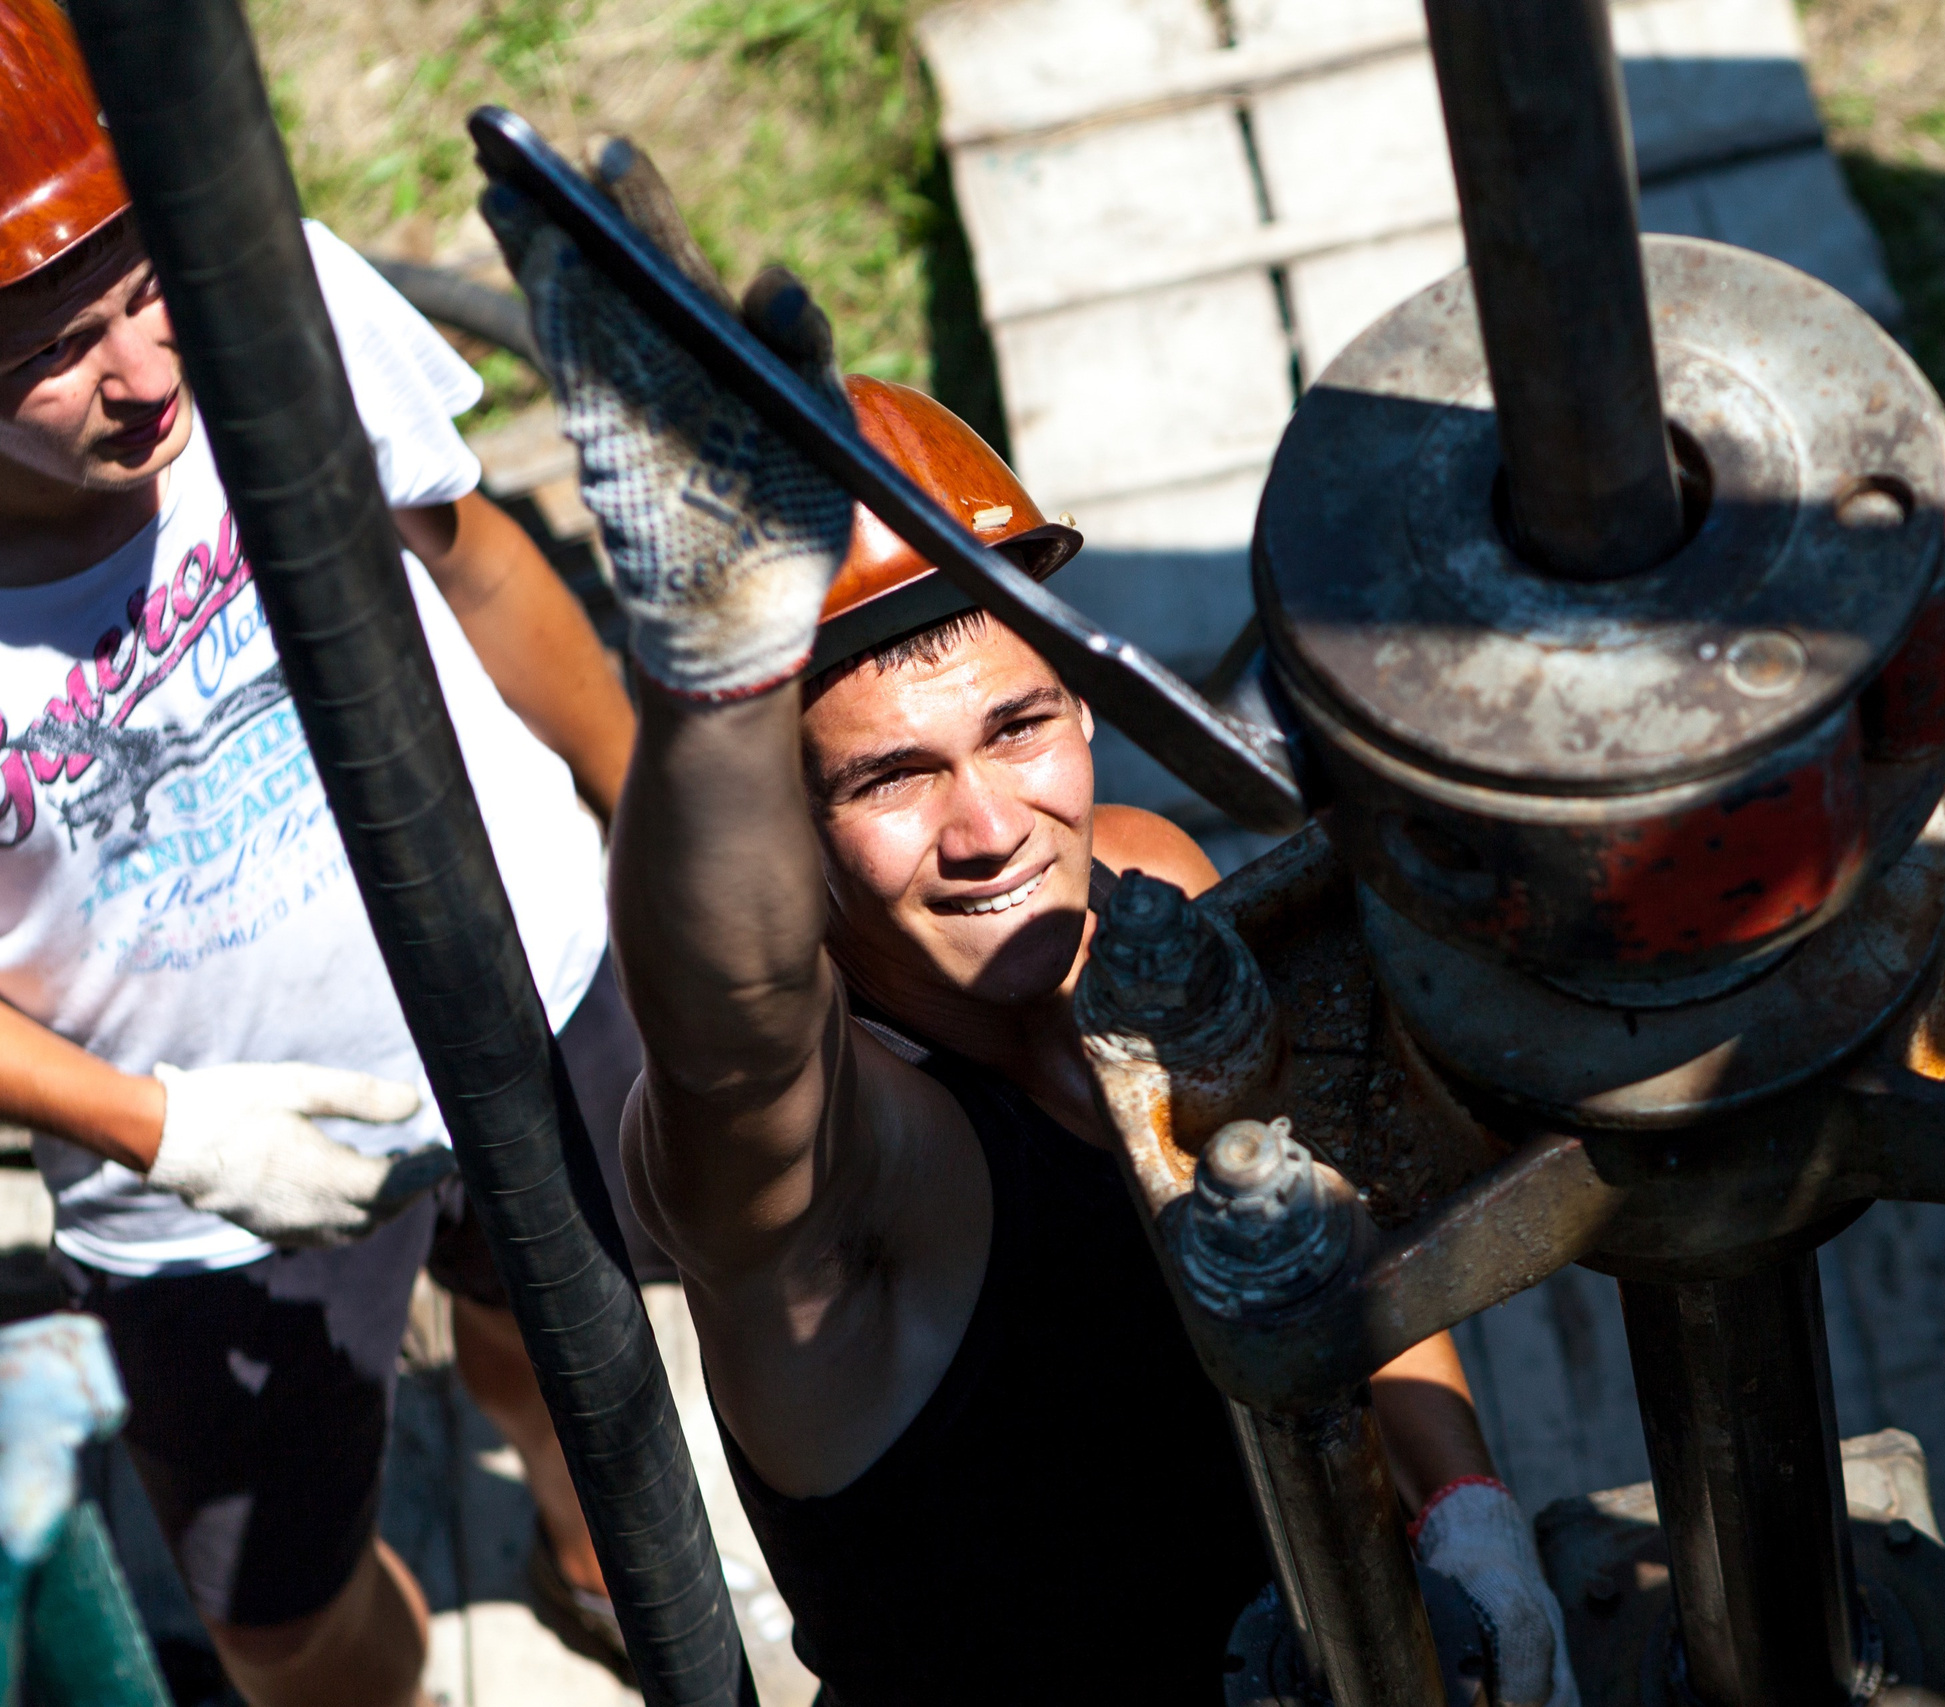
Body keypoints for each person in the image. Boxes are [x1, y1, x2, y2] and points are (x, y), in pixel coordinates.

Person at [485, 151, 1583, 1707]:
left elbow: (1322, 1215)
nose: (992, 823)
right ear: (782, 825)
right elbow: (730, 1044)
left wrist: (1461, 1501)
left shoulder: (1151, 883)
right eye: (888, 778)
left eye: (1019, 727)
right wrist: (710, 680)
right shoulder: (843, 1193)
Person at [0, 4, 655, 1699]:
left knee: (564, 1327)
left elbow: (475, 560)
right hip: (215, 1181)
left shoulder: (262, 291)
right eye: (54, 356)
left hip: (530, 985)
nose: (148, 377)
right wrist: (167, 1133)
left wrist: (644, 799)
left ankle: (590, 1562)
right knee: (279, 1624)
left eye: (149, 295)